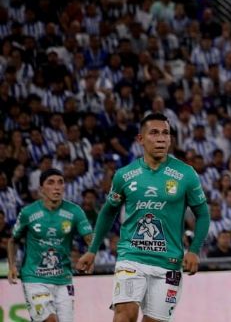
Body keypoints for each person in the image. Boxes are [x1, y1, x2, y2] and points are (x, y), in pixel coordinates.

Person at [76, 113, 211, 322]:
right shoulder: (125, 175)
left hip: (169, 262)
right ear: (141, 139)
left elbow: (202, 214)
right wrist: (92, 249)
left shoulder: (186, 174)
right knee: (124, 315)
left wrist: (194, 250)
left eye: (165, 133)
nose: (161, 138)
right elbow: (108, 211)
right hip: (132, 257)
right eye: (154, 133)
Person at [7, 169, 93, 322]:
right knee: (50, 320)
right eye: (51, 182)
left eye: (60, 182)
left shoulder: (74, 211)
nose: (57, 187)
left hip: (63, 279)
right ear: (41, 189)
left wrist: (91, 254)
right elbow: (13, 240)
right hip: (35, 278)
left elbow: (89, 239)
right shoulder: (28, 212)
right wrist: (12, 266)